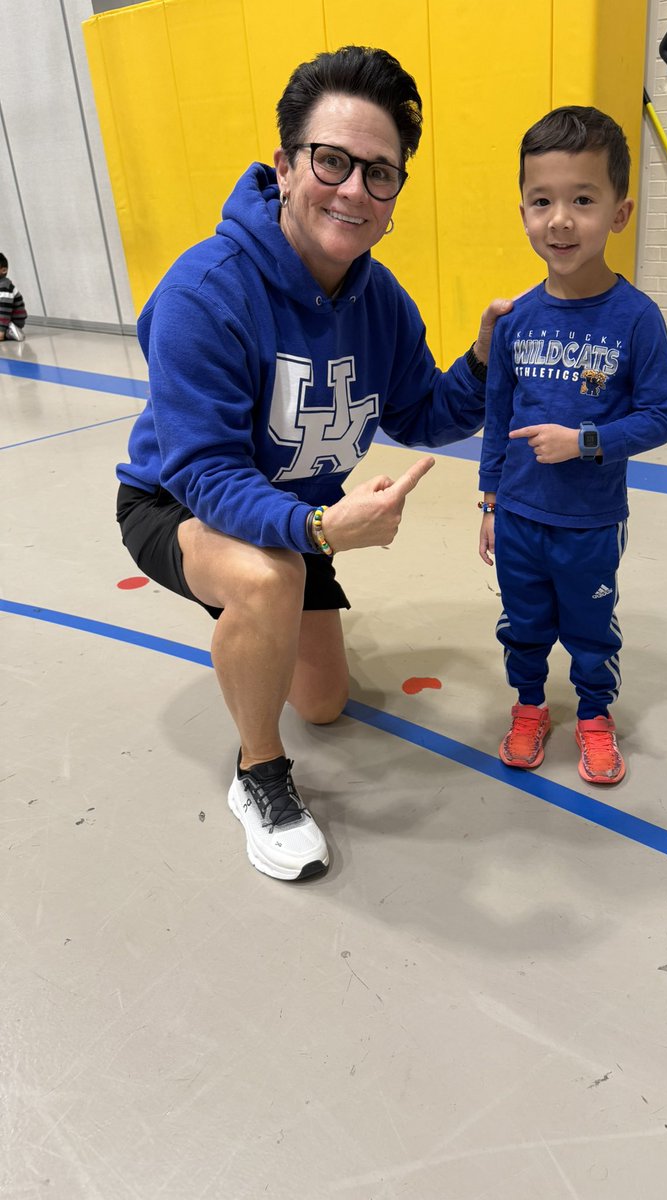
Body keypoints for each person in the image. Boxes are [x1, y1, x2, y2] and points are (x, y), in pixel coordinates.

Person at [116, 45, 510, 881]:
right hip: (175, 502)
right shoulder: (203, 294)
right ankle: (258, 773)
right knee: (267, 581)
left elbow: (419, 412)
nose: (353, 190)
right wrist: (319, 529)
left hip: (297, 517)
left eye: (380, 173)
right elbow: (206, 475)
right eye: (331, 161)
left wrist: (480, 364)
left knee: (324, 702)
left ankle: (261, 613)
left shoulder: (379, 298)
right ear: (285, 167)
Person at [478, 106, 667, 786]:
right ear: (525, 210)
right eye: (542, 201)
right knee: (523, 624)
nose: (560, 220)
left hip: (590, 522)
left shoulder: (637, 319)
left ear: (619, 214)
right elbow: (497, 412)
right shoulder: (514, 320)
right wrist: (490, 499)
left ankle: (594, 716)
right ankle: (530, 706)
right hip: (522, 518)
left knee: (592, 631)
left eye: (582, 201)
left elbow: (659, 418)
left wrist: (585, 440)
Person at [0, 253, 28, 341]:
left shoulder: (5, 287)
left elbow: (4, 311)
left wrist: (1, 331)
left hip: (12, 321)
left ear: (3, 270)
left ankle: (9, 331)